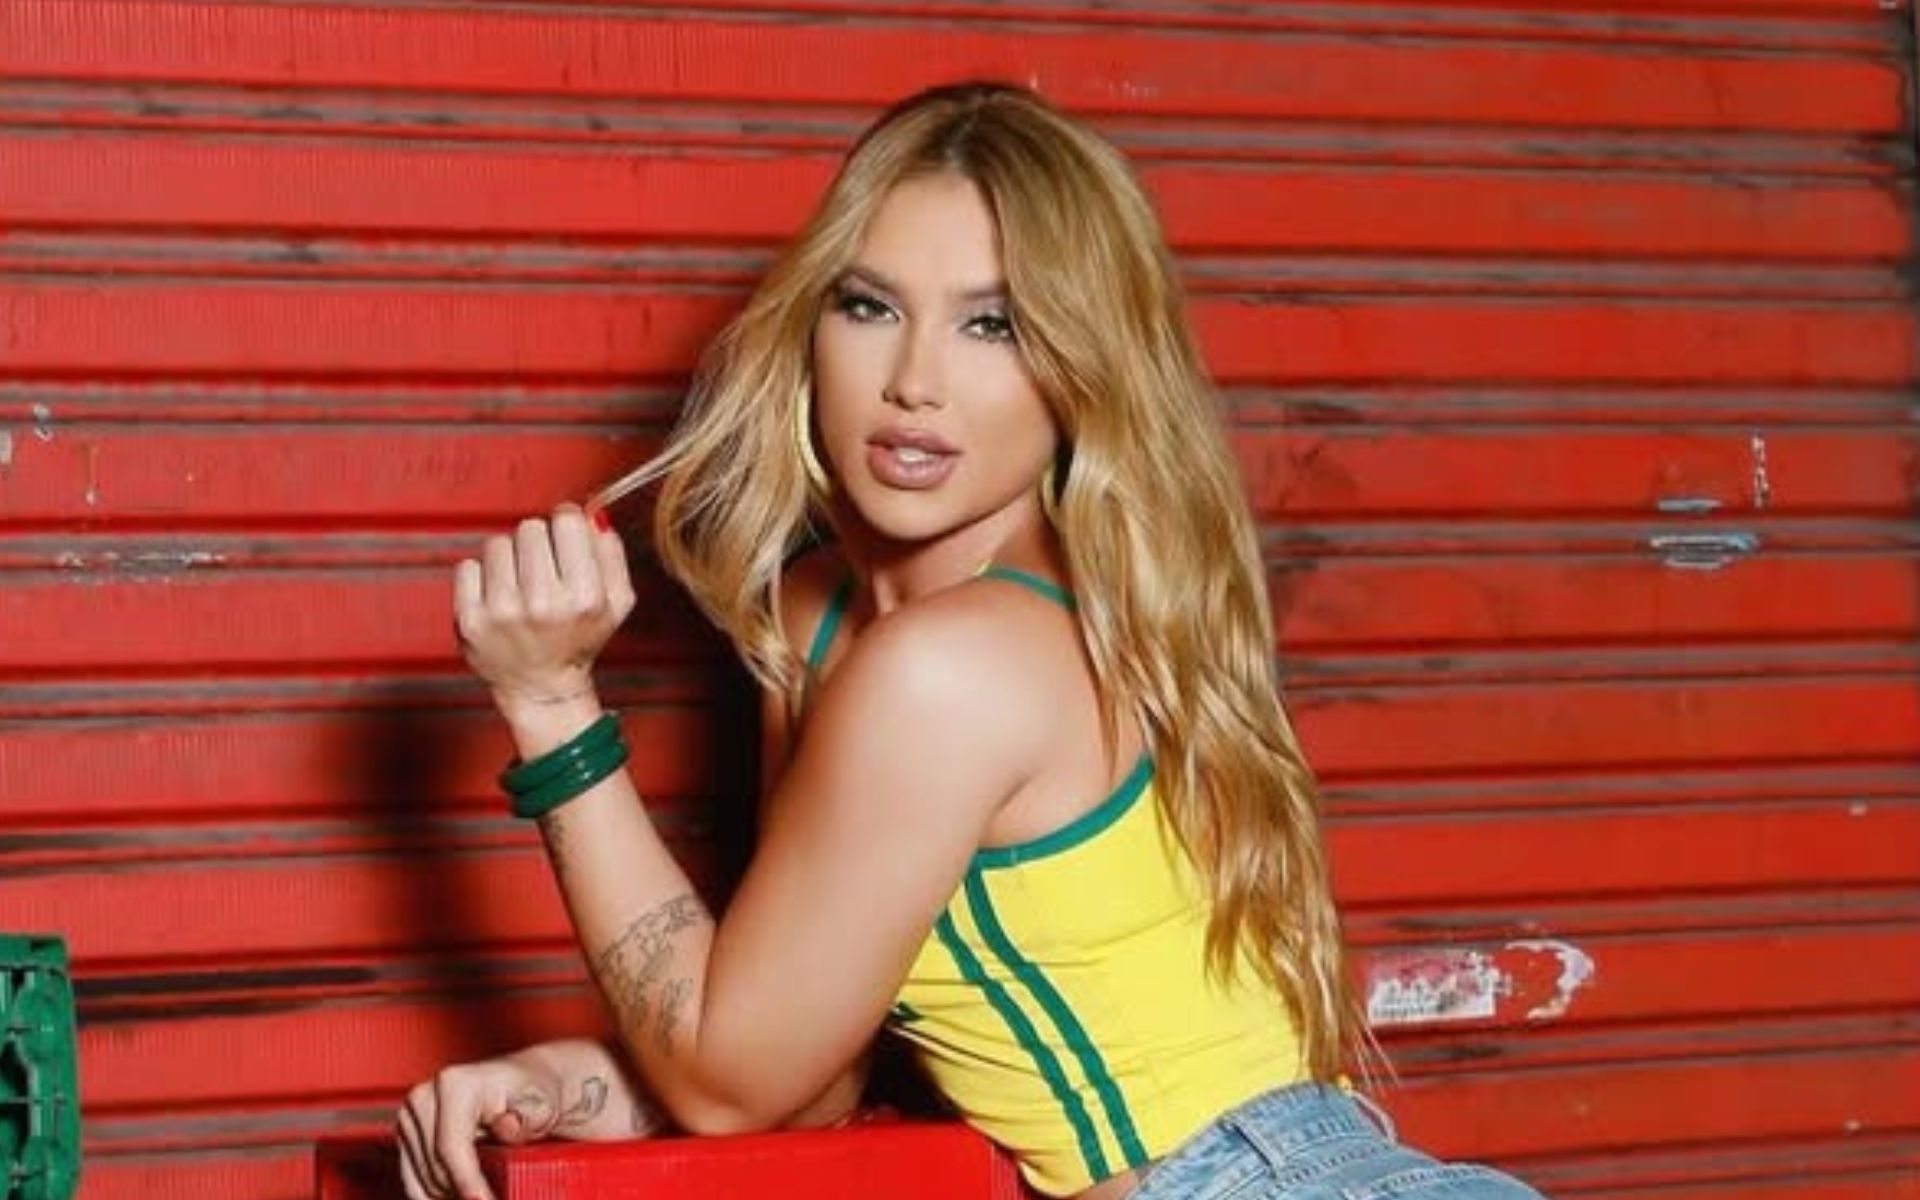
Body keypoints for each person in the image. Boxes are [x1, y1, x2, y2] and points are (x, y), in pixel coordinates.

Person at [395, 82, 1547, 1200]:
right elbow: (798, 1073)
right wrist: (573, 1085)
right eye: (869, 306)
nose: (914, 382)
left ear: (1078, 367)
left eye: (992, 324)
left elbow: (732, 1082)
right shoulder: (821, 620)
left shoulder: (955, 667)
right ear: (811, 326)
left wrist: (554, 709)